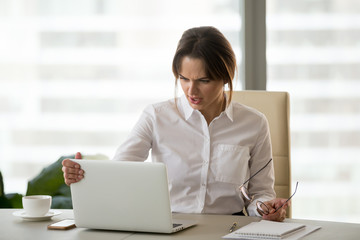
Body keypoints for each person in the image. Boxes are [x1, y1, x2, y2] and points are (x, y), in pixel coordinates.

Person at [62, 26, 290, 222]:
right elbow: (119, 171)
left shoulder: (254, 123)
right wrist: (83, 175)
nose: (192, 90)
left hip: (228, 229)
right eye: (184, 78)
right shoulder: (156, 116)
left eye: (203, 80)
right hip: (168, 226)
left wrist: (264, 208)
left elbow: (259, 192)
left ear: (226, 77)